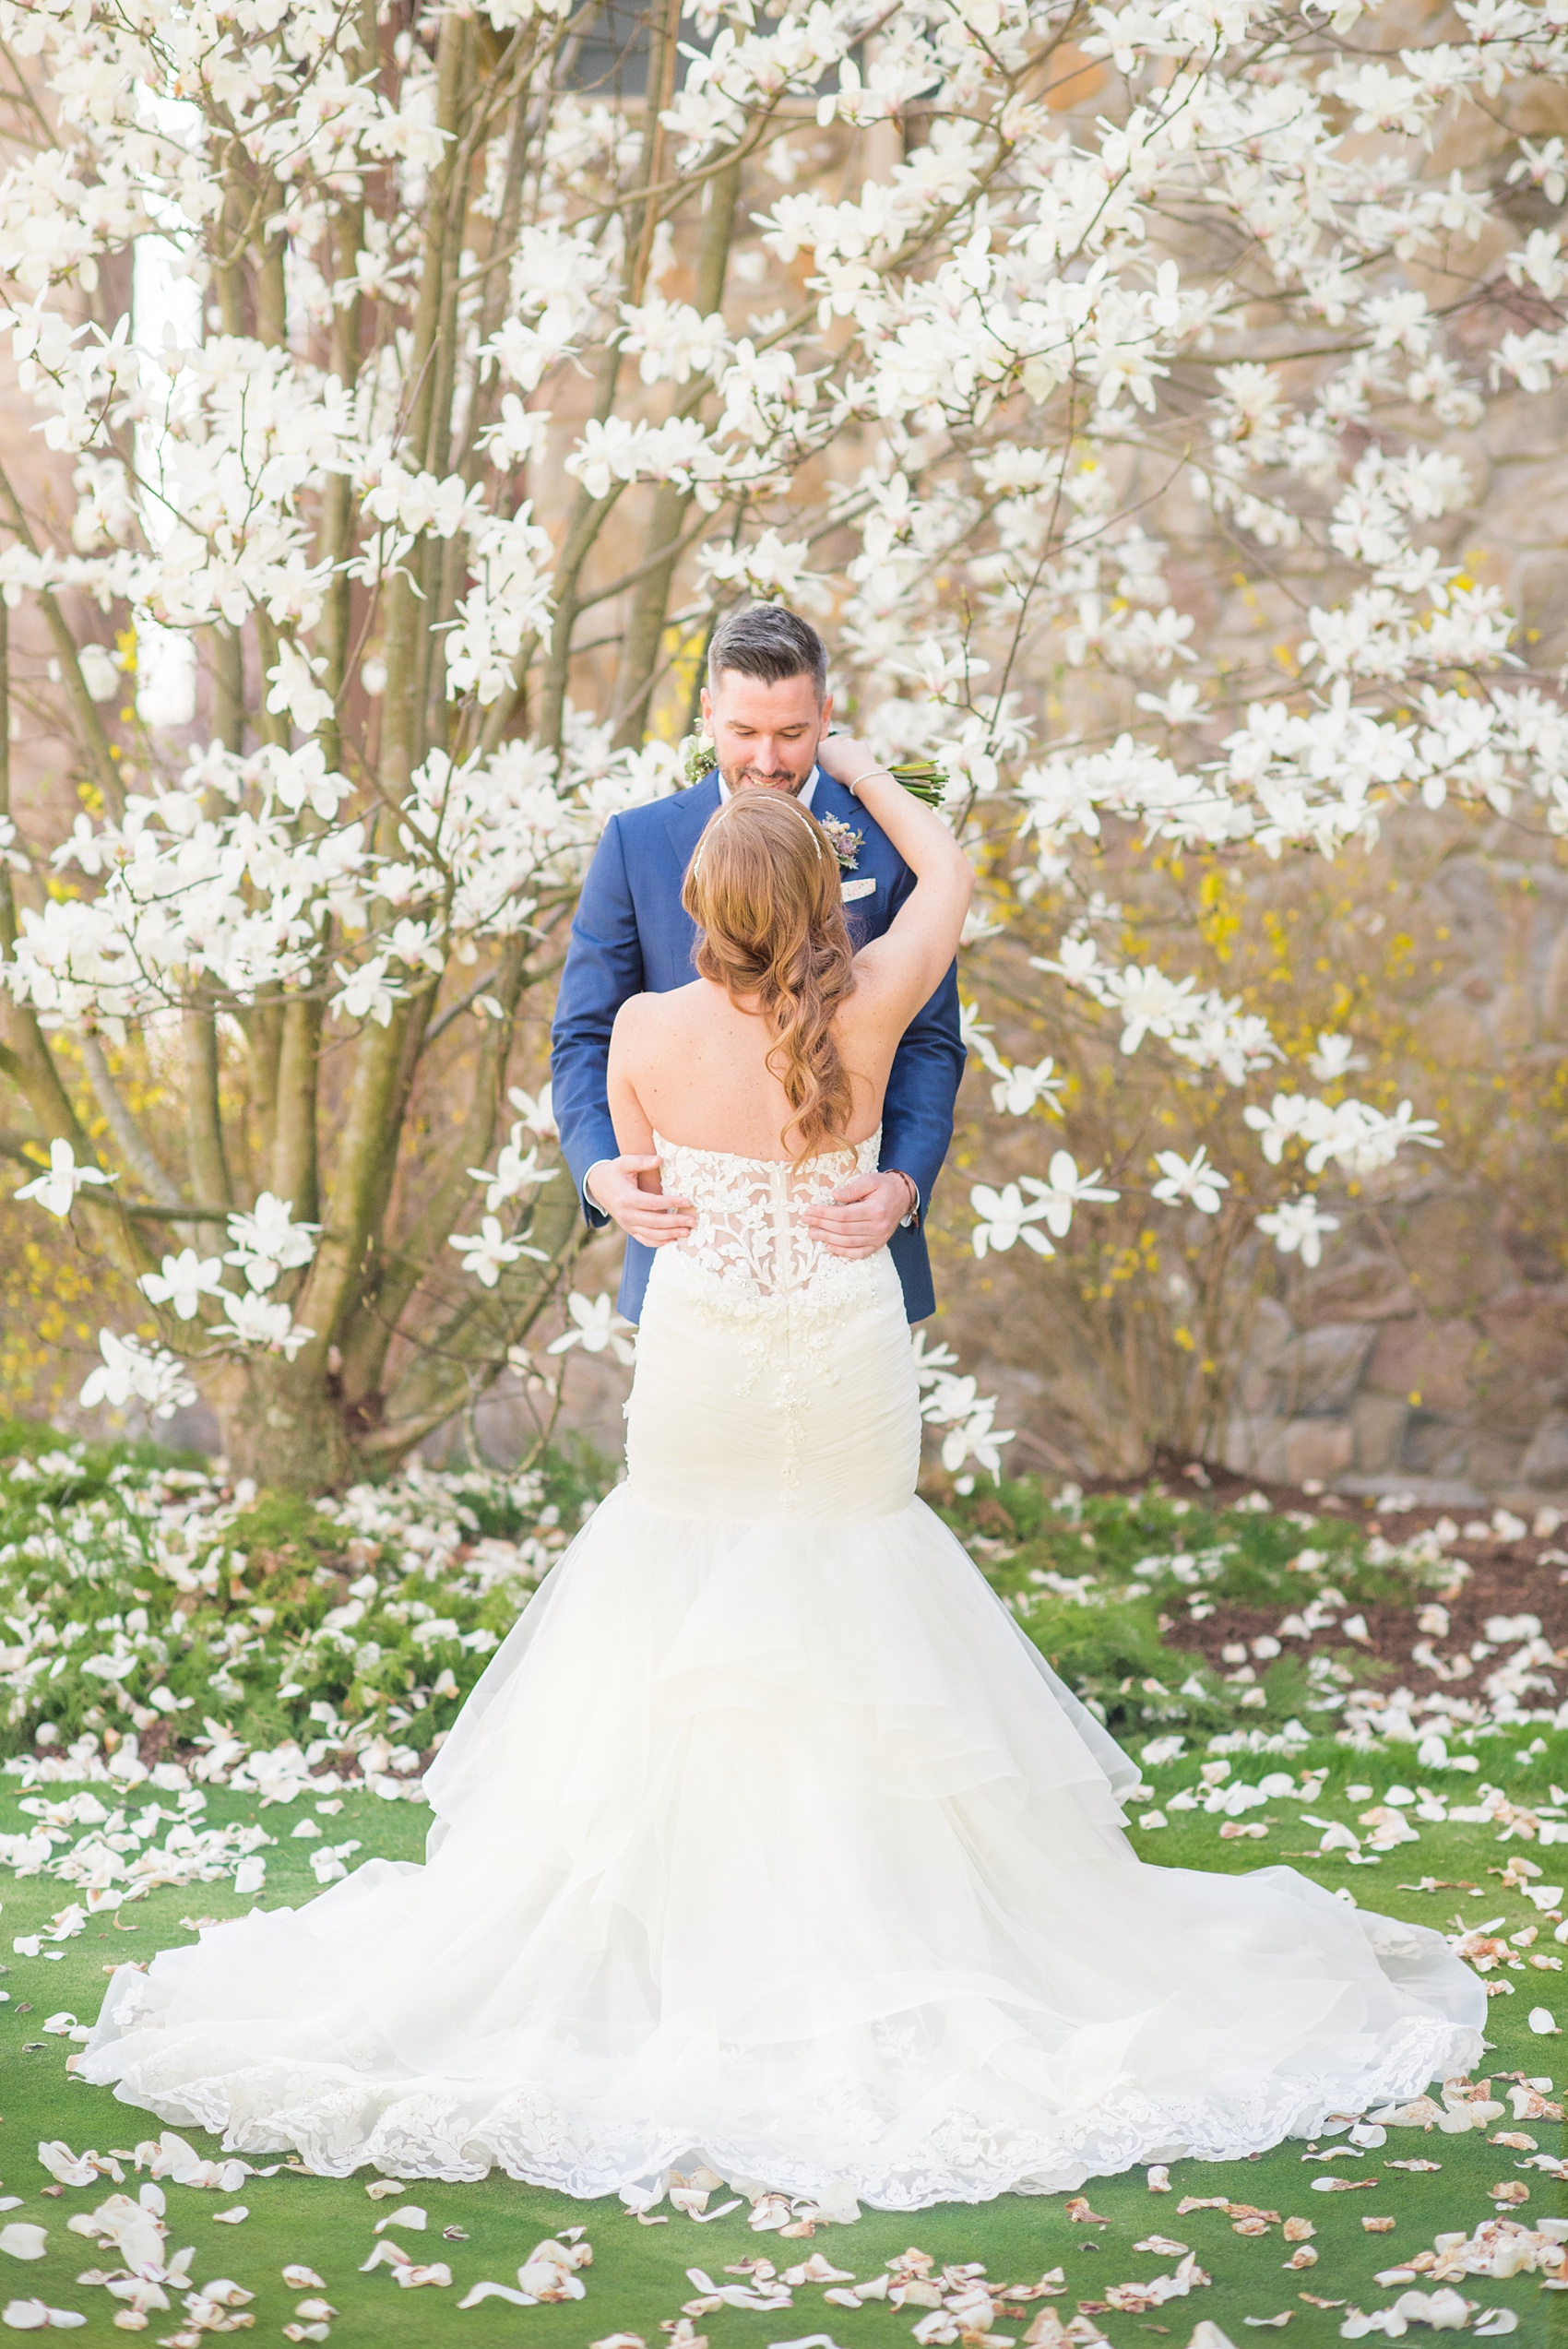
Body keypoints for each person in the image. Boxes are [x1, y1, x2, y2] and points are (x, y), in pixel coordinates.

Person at [77, 706, 1484, 2210]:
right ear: (825, 908)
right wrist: (850, 768)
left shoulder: (640, 1034)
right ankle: (878, 1936)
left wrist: (635, 1159)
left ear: (696, 907)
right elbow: (949, 867)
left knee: (677, 1604)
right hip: (838, 1354)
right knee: (860, 1605)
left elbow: (638, 1175)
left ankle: (689, 1940)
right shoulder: (869, 1007)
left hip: (702, 1364)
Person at [551, 602, 967, 1328]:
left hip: (852, 1252)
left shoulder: (892, 838)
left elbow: (930, 1038)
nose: (767, 761)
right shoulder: (635, 843)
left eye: (792, 733)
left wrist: (902, 1182)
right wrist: (600, 1171)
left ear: (827, 714)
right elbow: (582, 1034)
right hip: (691, 1263)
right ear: (709, 713)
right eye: (744, 732)